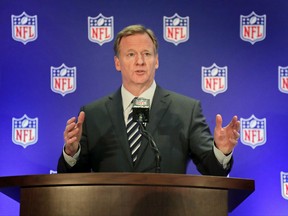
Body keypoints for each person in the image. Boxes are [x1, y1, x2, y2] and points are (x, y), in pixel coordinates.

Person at [57, 24, 240, 176]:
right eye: (130, 54)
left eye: (146, 54)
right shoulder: (93, 114)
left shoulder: (186, 110)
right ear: (117, 63)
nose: (140, 61)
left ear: (156, 61)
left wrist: (221, 151)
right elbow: (73, 179)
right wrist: (72, 153)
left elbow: (213, 170)